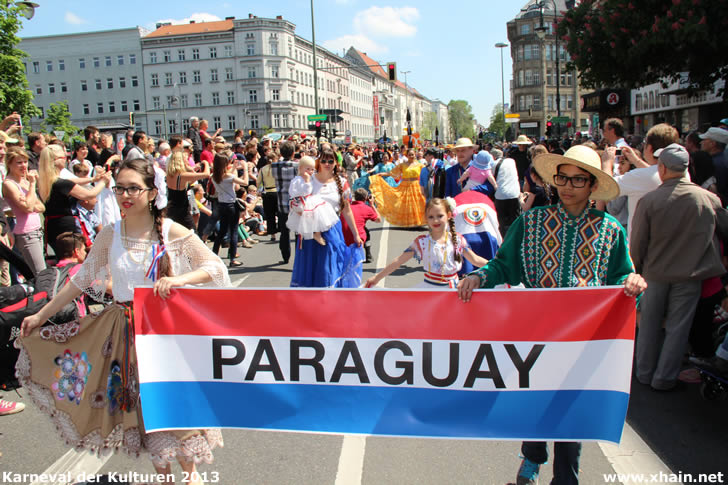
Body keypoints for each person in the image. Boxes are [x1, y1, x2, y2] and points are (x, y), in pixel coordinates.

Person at [19, 158, 229, 485]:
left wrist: (178, 280)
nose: (125, 195)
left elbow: (215, 269)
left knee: (175, 403)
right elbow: (81, 280)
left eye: (134, 188)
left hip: (164, 333)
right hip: (124, 332)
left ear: (151, 193)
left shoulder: (171, 230)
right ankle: (165, 476)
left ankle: (191, 476)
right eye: (120, 189)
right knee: (144, 410)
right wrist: (41, 314)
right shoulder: (110, 234)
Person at [457, 144, 646, 485]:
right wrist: (478, 277)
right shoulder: (531, 222)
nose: (568, 186)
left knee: (571, 408)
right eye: (562, 177)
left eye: (578, 180)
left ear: (592, 186)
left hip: (584, 339)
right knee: (536, 399)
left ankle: (566, 476)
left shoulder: (610, 230)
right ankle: (532, 457)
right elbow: (503, 265)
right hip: (536, 333)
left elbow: (621, 277)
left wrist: (631, 282)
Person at [631, 144, 728, 391]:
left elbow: (638, 243)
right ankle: (664, 379)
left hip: (654, 273)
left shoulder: (650, 200)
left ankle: (644, 373)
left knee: (649, 325)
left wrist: (637, 269)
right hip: (690, 275)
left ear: (662, 168)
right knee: (677, 329)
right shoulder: (709, 199)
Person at [365, 197, 488, 288]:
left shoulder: (458, 240)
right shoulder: (422, 242)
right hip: (429, 289)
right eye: (431, 217)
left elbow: (475, 260)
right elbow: (399, 261)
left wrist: (499, 268)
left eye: (440, 216)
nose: (435, 220)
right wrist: (377, 277)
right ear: (426, 219)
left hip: (454, 290)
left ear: (449, 215)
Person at [290, 145, 363, 288]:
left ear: (336, 163)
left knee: (328, 269)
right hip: (309, 231)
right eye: (324, 161)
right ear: (319, 162)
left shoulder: (342, 183)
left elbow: (347, 210)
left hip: (331, 231)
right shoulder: (309, 180)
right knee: (310, 269)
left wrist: (356, 234)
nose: (327, 164)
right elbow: (296, 197)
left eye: (331, 161)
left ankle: (329, 303)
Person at [38, 145, 111, 254]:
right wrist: (103, 181)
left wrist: (93, 179)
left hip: (52, 226)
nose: (66, 160)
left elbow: (72, 181)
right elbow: (89, 194)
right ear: (55, 161)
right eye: (64, 158)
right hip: (67, 227)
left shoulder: (47, 181)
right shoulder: (61, 183)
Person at [2, 148, 45, 275]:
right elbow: (27, 208)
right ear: (9, 164)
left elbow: (41, 207)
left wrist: (29, 200)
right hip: (26, 233)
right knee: (40, 274)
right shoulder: (9, 184)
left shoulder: (24, 181)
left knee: (41, 272)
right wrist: (32, 185)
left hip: (37, 230)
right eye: (19, 163)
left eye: (25, 162)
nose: (24, 166)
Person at [286, 156, 341, 246]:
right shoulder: (297, 180)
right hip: (300, 202)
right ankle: (315, 233)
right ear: (300, 168)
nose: (310, 171)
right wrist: (307, 182)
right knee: (314, 213)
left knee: (319, 213)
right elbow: (302, 191)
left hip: (306, 200)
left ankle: (317, 233)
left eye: (312, 169)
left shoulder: (309, 178)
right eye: (307, 169)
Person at [370, 148, 426, 227]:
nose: (411, 156)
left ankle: (418, 222)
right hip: (405, 186)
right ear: (406, 156)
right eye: (409, 155)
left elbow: (427, 172)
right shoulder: (402, 165)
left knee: (418, 204)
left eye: (412, 154)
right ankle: (410, 222)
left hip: (416, 185)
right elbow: (392, 172)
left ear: (415, 155)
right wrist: (382, 174)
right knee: (407, 204)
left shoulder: (420, 165)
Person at [211, 153, 248, 268]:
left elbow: (225, 177)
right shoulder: (229, 177)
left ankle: (214, 256)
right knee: (233, 231)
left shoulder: (214, 177)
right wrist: (245, 169)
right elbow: (245, 183)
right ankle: (232, 259)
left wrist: (233, 168)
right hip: (231, 205)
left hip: (221, 205)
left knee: (221, 232)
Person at [165, 151, 210, 230]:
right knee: (192, 232)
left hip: (172, 207)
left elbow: (188, 184)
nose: (187, 161)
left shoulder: (170, 174)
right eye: (185, 159)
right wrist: (206, 163)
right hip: (181, 209)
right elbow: (206, 174)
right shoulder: (182, 175)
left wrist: (191, 169)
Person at [271, 141, 298, 264]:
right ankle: (299, 255)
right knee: (298, 232)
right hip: (296, 203)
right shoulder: (297, 166)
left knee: (284, 232)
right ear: (293, 153)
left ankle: (285, 256)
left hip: (282, 202)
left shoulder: (275, 166)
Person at [342, 188, 381, 263]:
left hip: (343, 234)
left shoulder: (347, 207)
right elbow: (378, 220)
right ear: (366, 198)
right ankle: (368, 254)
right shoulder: (367, 208)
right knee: (366, 232)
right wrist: (372, 205)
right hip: (357, 236)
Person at [491, 148, 521, 237]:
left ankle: (503, 238)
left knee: (502, 221)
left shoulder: (494, 164)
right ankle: (515, 237)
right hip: (515, 193)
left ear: (493, 157)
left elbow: (492, 178)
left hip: (501, 194)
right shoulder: (512, 161)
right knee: (514, 220)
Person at [256, 149, 279, 242]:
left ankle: (272, 234)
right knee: (280, 213)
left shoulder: (262, 169)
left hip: (267, 192)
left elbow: (259, 183)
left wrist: (260, 190)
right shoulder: (278, 168)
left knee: (270, 215)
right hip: (277, 191)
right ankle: (281, 229)